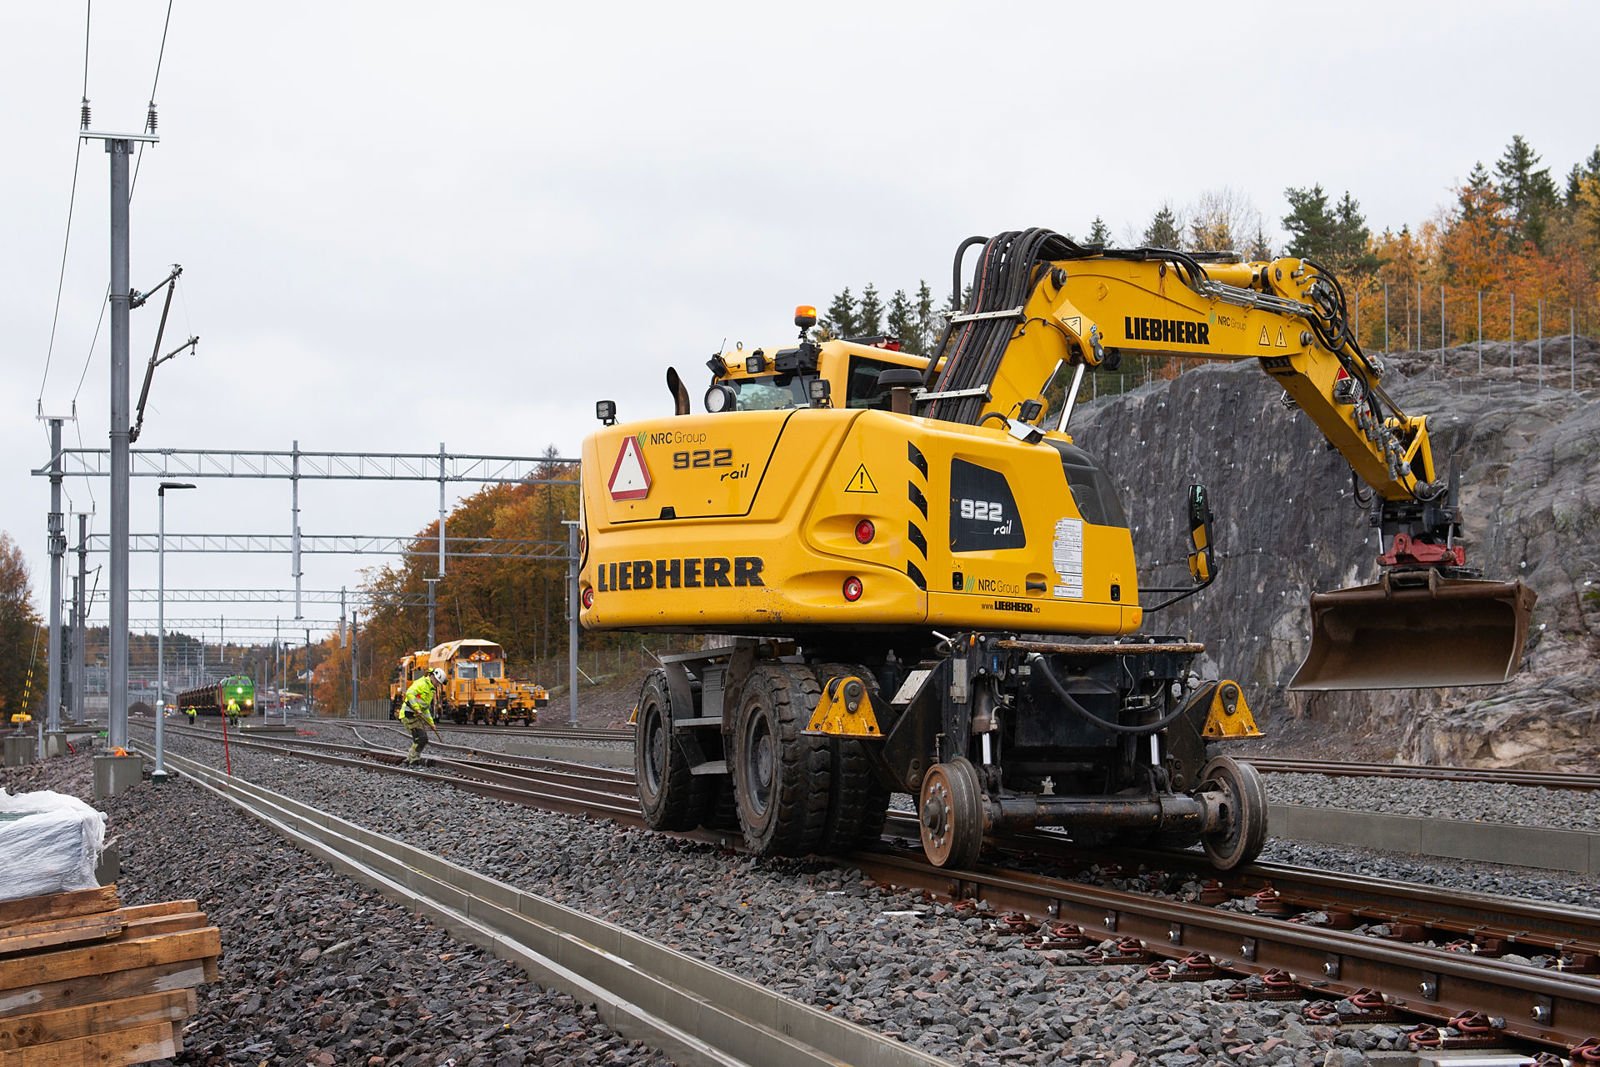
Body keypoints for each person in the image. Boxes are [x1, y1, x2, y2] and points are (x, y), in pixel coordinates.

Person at [398, 668, 444, 765]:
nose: (437, 684)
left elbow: (425, 708)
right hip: (408, 714)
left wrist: (431, 723)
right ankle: (412, 759)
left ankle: (411, 759)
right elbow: (409, 693)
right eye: (437, 681)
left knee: (421, 739)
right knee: (421, 738)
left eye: (439, 683)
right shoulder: (421, 684)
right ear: (432, 676)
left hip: (415, 716)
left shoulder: (431, 690)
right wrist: (416, 708)